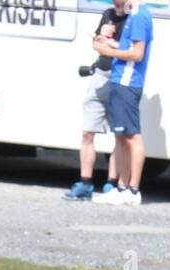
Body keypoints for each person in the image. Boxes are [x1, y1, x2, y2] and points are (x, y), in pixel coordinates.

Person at [64, 0, 128, 201]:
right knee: (87, 133)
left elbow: (134, 51)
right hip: (101, 74)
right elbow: (96, 44)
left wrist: (110, 42)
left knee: (119, 135)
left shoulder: (132, 19)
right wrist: (101, 39)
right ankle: (85, 182)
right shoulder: (108, 14)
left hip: (120, 76)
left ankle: (111, 184)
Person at [91, 0, 153, 206]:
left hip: (128, 82)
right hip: (121, 80)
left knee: (133, 137)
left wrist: (109, 52)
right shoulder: (134, 13)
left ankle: (133, 190)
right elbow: (129, 47)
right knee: (121, 137)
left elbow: (137, 53)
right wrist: (111, 43)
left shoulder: (139, 16)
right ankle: (122, 187)